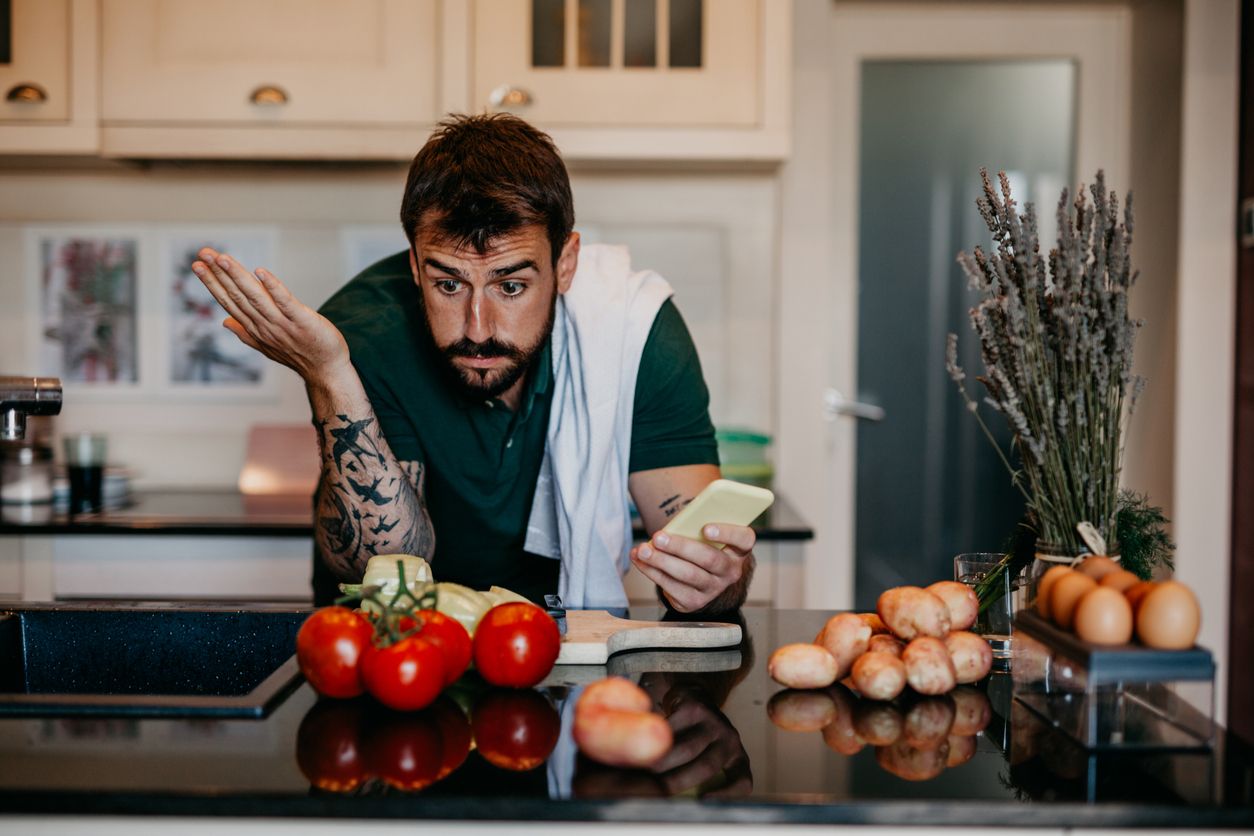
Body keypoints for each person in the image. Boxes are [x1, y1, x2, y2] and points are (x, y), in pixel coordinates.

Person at [190, 113, 757, 614]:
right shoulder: (362, 334)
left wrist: (718, 578)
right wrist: (329, 375)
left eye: (510, 286)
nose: (478, 328)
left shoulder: (635, 331)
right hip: (391, 649)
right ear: (415, 267)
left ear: (565, 264)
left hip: (558, 643)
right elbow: (383, 567)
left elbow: (701, 548)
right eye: (448, 284)